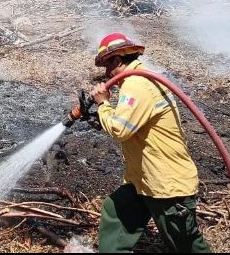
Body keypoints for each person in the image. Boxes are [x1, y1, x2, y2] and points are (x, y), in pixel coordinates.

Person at [88, 32, 211, 253]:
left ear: (116, 60)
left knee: (186, 246)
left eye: (107, 66)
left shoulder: (137, 84)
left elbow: (120, 128)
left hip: (166, 186)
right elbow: (133, 124)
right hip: (143, 181)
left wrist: (103, 104)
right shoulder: (141, 80)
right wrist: (101, 117)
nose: (106, 74)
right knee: (116, 212)